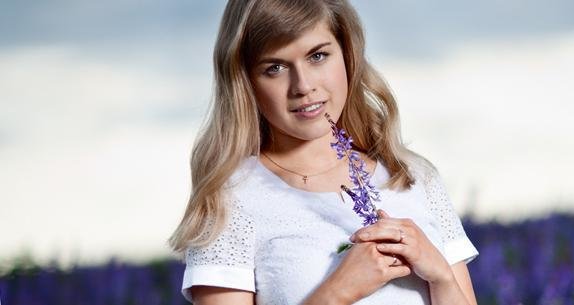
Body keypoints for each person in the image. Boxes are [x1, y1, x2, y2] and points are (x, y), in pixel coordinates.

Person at [167, 0, 478, 304]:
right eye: (274, 67)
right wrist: (337, 292)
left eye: (318, 56)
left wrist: (441, 278)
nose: (303, 85)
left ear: (347, 54)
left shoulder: (412, 176)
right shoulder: (228, 203)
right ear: (245, 81)